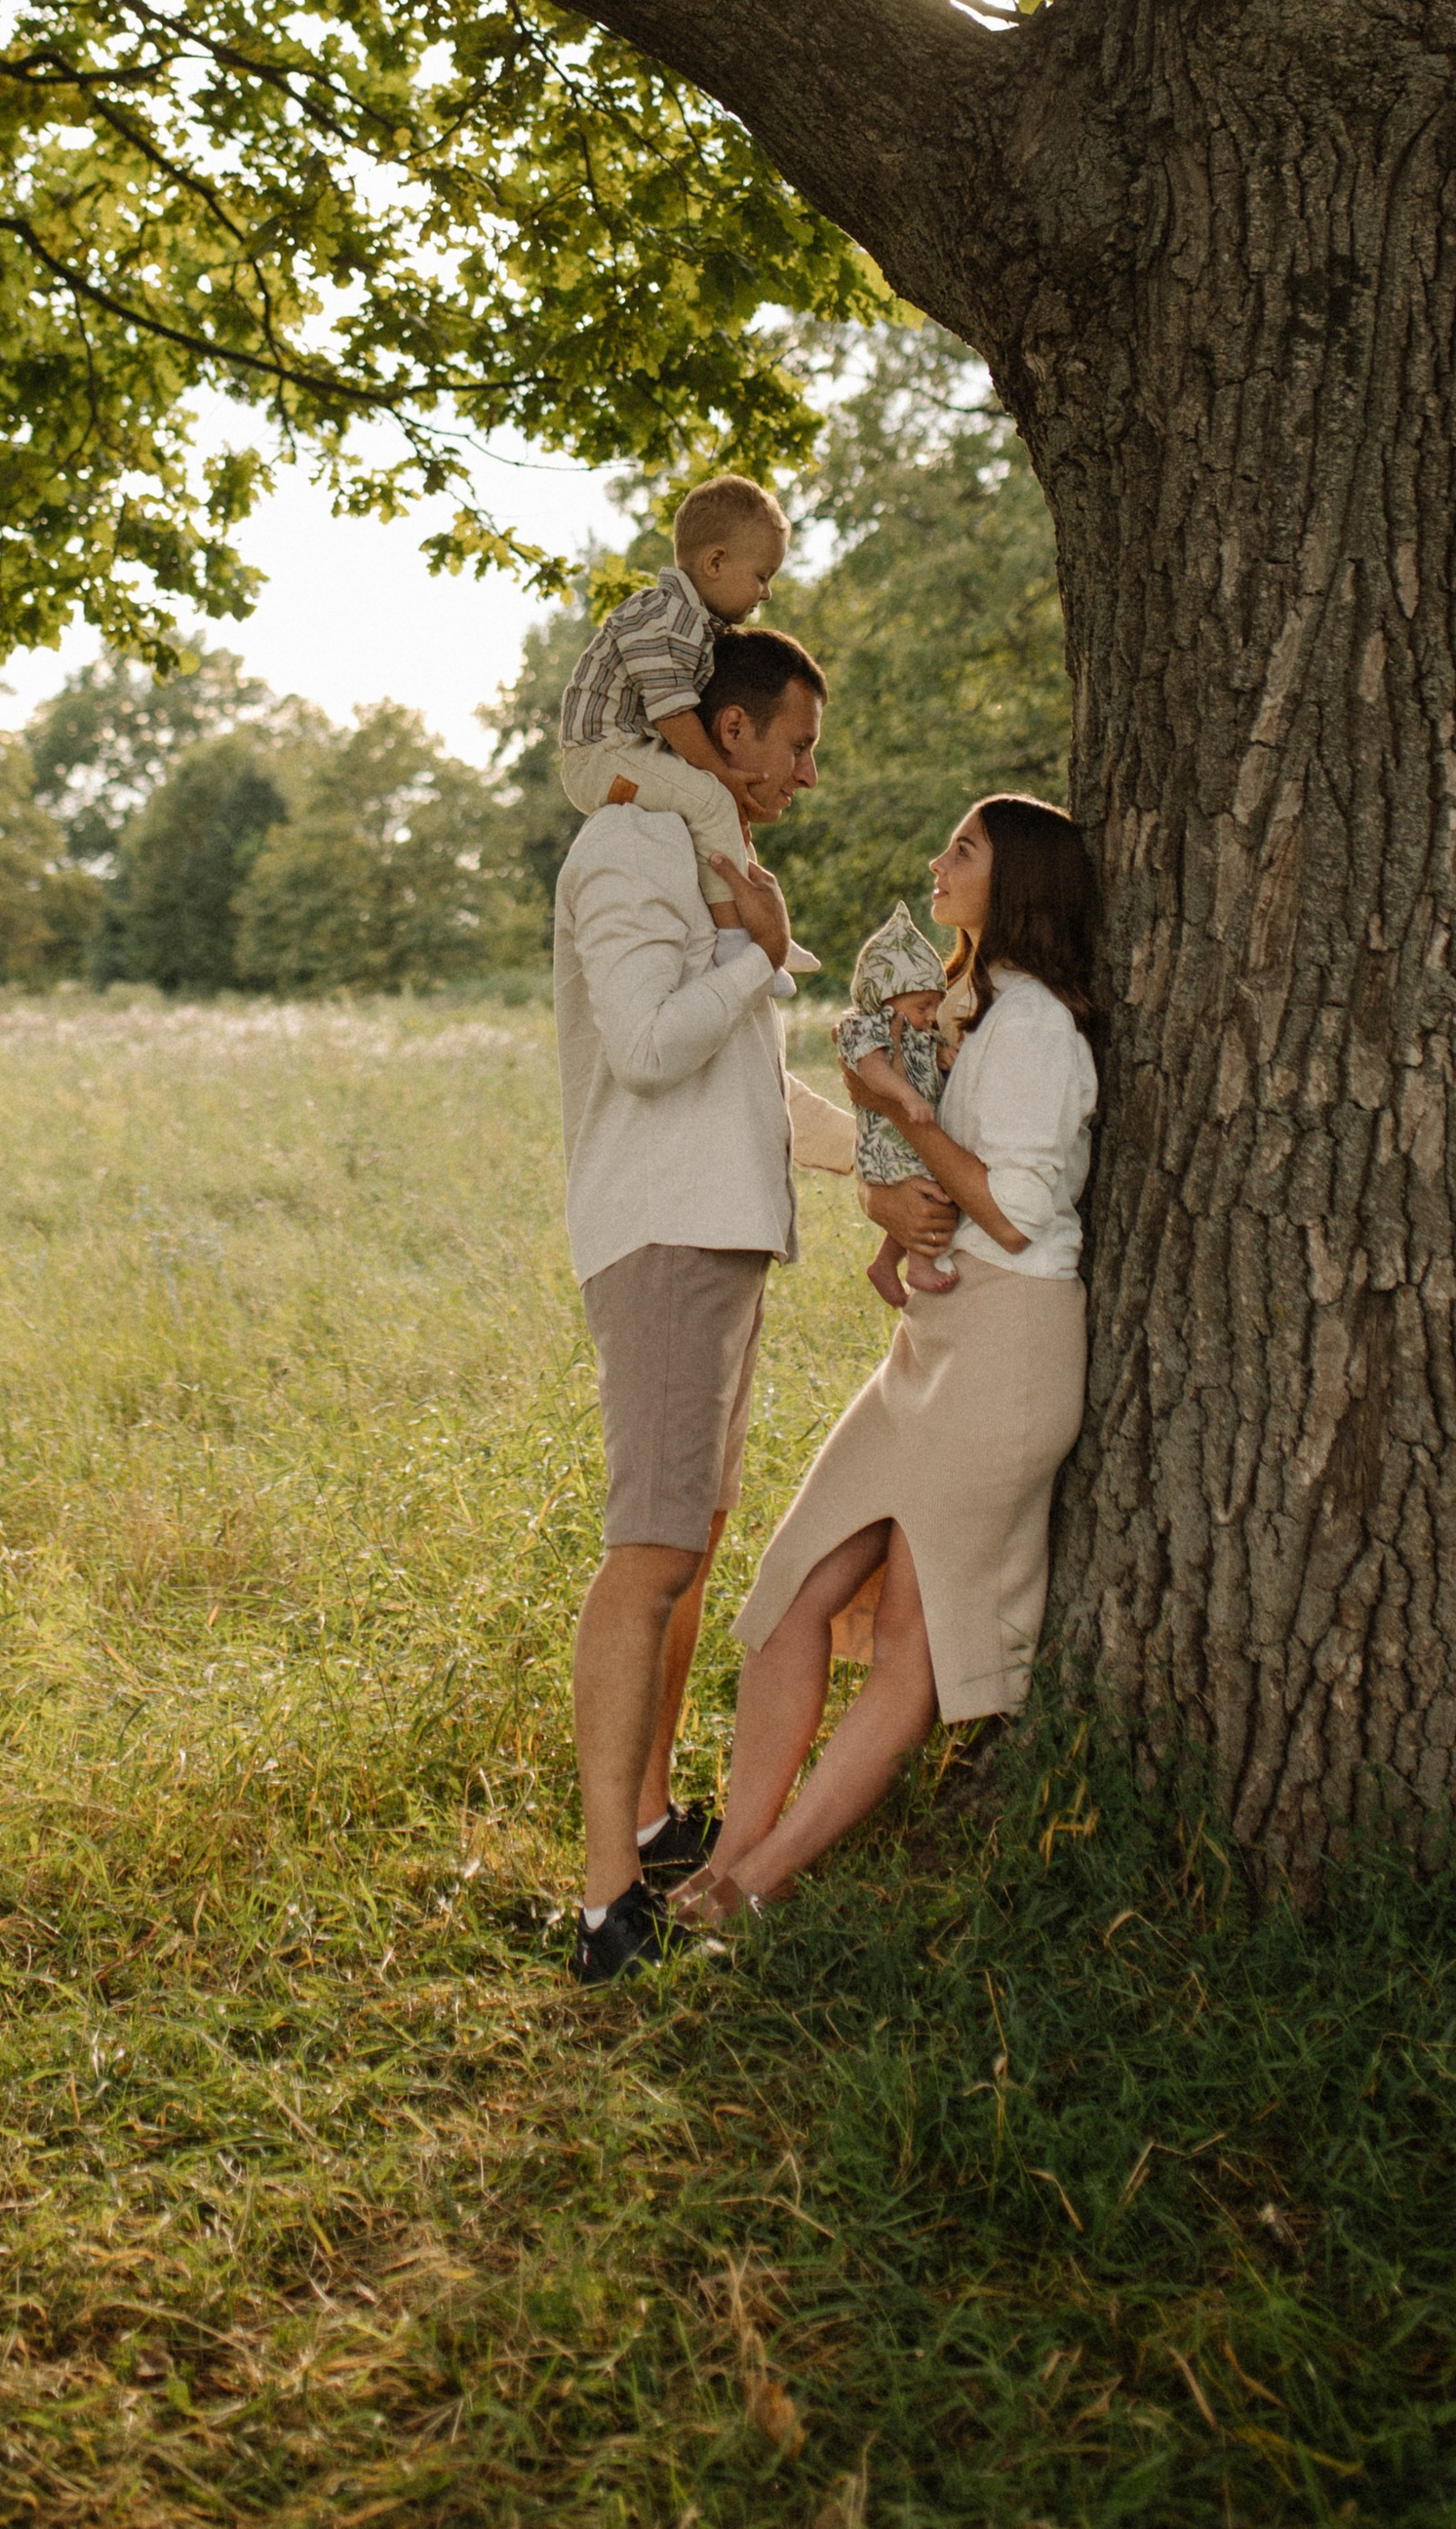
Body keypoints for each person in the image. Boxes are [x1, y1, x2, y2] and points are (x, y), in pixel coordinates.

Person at [675, 794, 1100, 1925]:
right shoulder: (974, 1006)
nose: (937, 859)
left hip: (1010, 1347)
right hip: (936, 1342)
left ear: (1019, 887)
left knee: (919, 1637)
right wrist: (890, 1200)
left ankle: (751, 1890)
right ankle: (729, 1853)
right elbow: (935, 1182)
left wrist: (902, 1107)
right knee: (787, 1595)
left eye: (962, 849)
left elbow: (1011, 1213)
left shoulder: (1044, 1031)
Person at [553, 623, 854, 1984]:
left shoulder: (719, 868)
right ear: (726, 732)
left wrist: (907, 1151)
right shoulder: (627, 849)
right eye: (794, 744)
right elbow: (650, 1043)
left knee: (693, 1539)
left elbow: (749, 1088)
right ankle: (609, 1900)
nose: (803, 772)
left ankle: (659, 1819)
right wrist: (765, 956)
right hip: (666, 1233)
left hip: (727, 1237)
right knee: (653, 1551)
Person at [556, 475, 802, 969]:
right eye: (761, 576)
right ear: (715, 562)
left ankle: (756, 917)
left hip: (629, 752)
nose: (767, 593)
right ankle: (738, 947)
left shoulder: (694, 624)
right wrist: (721, 774)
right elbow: (671, 710)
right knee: (713, 797)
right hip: (601, 756)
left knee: (719, 810)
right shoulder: (662, 613)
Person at [837, 899, 966, 1307]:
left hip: (911, 1137)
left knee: (931, 1189)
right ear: (887, 997)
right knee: (929, 1194)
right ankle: (918, 1266)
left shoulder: (916, 1032)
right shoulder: (868, 1025)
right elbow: (870, 1068)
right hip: (889, 1139)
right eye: (922, 1007)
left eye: (934, 1006)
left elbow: (926, 1056)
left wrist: (943, 1058)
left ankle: (885, 1263)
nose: (931, 1016)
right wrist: (904, 1094)